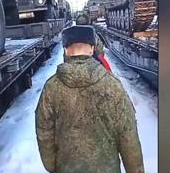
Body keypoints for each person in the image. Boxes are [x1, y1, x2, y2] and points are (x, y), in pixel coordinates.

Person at [35, 25, 144, 173]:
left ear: (66, 50)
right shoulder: (112, 85)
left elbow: (44, 132)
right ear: (92, 49)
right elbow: (128, 135)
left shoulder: (51, 87)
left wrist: (52, 166)